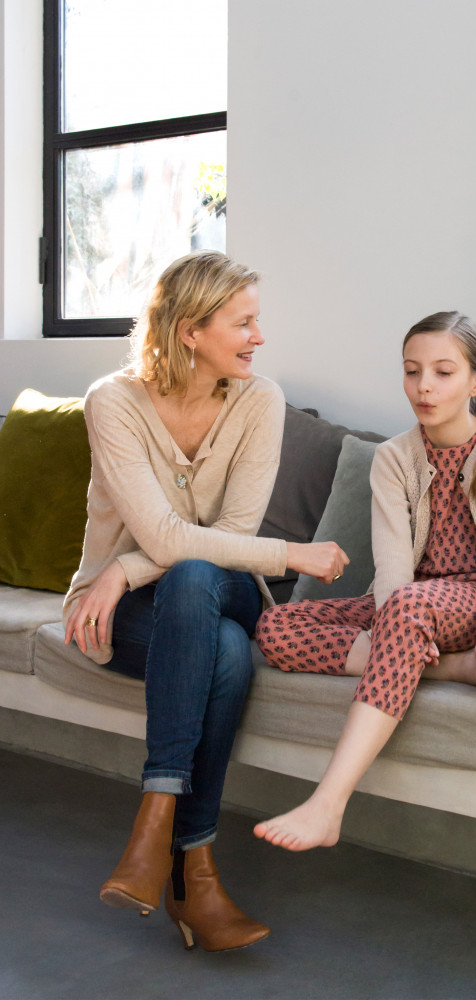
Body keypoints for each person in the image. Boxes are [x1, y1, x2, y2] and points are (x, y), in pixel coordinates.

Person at [63, 250, 348, 951]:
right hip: (126, 617)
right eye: (243, 322)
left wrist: (124, 568)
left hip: (221, 587)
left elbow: (224, 539)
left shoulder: (259, 401)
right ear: (189, 331)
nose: (258, 337)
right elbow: (164, 533)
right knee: (222, 653)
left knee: (193, 579)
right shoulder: (112, 402)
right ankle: (194, 875)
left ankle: (153, 820)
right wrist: (293, 555)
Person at [253, 310, 476, 853]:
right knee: (275, 626)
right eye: (412, 371)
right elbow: (392, 572)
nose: (423, 386)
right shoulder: (393, 459)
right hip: (406, 605)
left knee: (410, 608)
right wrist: (397, 619)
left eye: (443, 372)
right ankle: (452, 668)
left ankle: (328, 804)